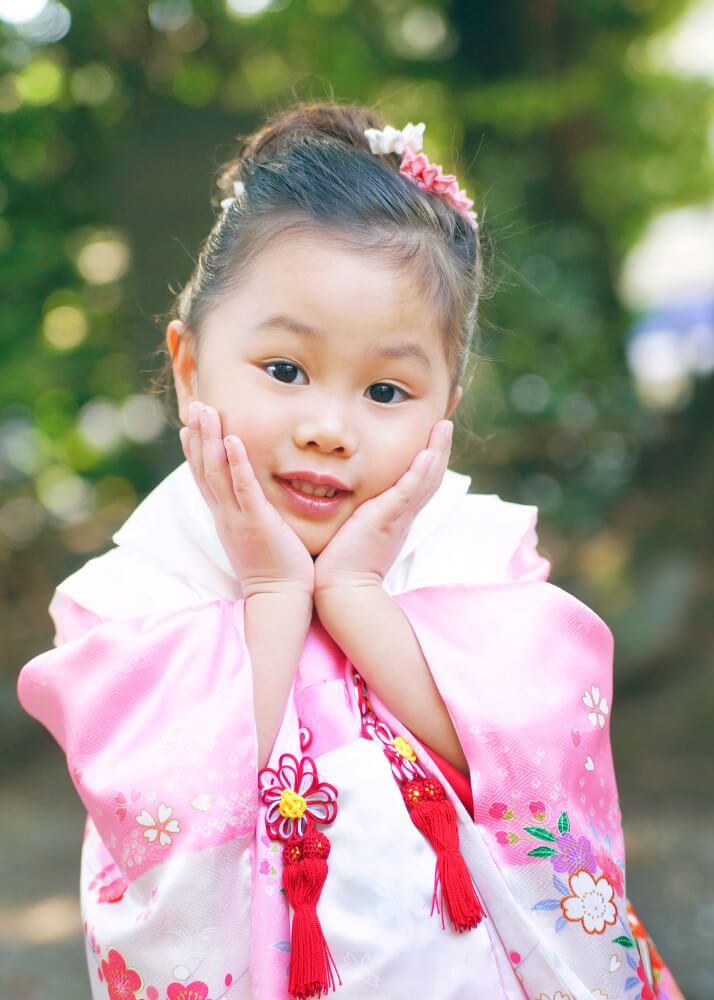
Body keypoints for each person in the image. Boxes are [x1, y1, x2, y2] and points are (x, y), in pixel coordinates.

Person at [17, 101, 684, 1000]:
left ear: (445, 409)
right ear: (188, 368)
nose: (329, 428)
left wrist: (359, 592)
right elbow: (173, 807)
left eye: (385, 389)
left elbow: (532, 772)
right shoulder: (133, 593)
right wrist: (270, 591)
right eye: (285, 370)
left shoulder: (477, 554)